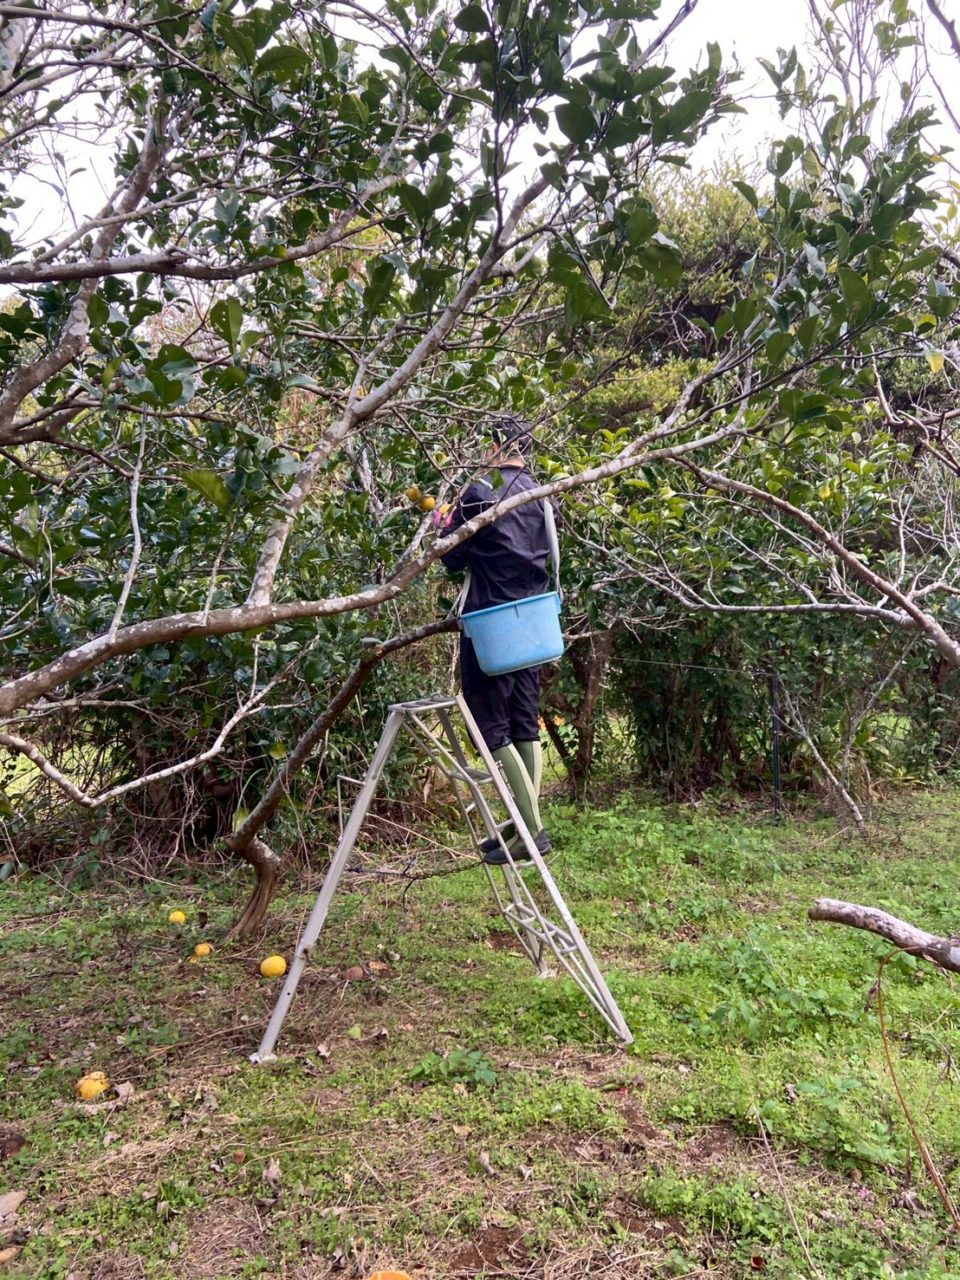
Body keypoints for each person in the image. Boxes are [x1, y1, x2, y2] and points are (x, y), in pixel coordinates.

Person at [439, 415, 552, 864]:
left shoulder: (479, 492)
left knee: (490, 727)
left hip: (491, 624)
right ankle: (525, 826)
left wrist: (441, 522)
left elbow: (451, 558)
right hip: (534, 624)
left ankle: (531, 830)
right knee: (525, 722)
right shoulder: (542, 495)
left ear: (493, 445)